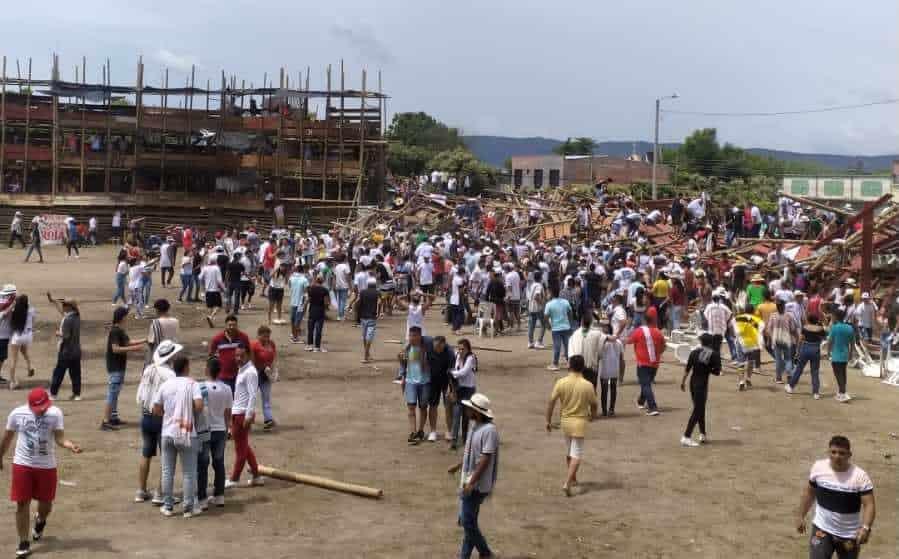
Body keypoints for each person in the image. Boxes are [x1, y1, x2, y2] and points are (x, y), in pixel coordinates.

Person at [0, 387, 82, 558]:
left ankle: (40, 520)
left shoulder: (55, 414)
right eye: (38, 409)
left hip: (46, 466)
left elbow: (59, 438)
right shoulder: (17, 414)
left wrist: (69, 445)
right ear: (29, 405)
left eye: (44, 408)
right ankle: (23, 542)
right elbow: (7, 438)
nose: (42, 411)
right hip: (23, 464)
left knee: (46, 504)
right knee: (22, 503)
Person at [796, 436, 875, 558]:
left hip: (849, 535)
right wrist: (801, 515)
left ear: (849, 455)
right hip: (821, 528)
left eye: (842, 453)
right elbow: (809, 492)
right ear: (828, 452)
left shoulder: (860, 476)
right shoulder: (818, 468)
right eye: (833, 452)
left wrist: (865, 528)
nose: (837, 456)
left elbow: (869, 504)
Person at [447, 393, 498, 559]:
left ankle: (485, 552)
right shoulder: (474, 427)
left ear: (476, 412)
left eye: (469, 408)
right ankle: (465, 556)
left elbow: (484, 459)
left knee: (467, 521)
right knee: (469, 521)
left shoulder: (489, 431)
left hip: (477, 484)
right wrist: (458, 465)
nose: (466, 410)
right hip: (468, 480)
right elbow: (471, 453)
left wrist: (472, 481)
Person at [152, 355, 204, 517]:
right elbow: (199, 406)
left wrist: (169, 414)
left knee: (167, 471)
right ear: (187, 367)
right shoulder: (192, 384)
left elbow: (155, 409)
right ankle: (188, 508)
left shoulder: (166, 385)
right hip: (187, 432)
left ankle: (168, 506)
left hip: (168, 432)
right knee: (189, 472)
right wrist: (187, 412)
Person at [134, 340, 181, 505]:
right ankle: (160, 493)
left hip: (146, 416)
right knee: (166, 457)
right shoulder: (170, 374)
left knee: (146, 454)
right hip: (162, 417)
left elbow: (141, 394)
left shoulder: (149, 369)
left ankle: (141, 491)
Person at [545, 355, 597, 496]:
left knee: (569, 452)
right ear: (582, 367)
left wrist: (548, 421)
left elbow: (551, 402)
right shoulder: (587, 385)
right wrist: (593, 416)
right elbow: (594, 404)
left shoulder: (561, 382)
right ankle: (568, 482)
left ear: (570, 366)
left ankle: (573, 478)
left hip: (565, 422)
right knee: (577, 454)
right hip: (580, 422)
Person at [225, 346, 264, 488]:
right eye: (236, 356)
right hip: (238, 412)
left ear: (248, 355)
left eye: (241, 356)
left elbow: (253, 395)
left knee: (240, 449)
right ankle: (257, 476)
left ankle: (234, 479)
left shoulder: (250, 372)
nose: (238, 359)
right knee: (244, 447)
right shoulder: (242, 370)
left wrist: (248, 415)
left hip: (242, 414)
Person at [102, 306, 145, 431]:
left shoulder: (120, 330)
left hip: (118, 366)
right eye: (126, 315)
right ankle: (105, 421)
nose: (128, 317)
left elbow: (128, 342)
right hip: (115, 366)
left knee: (115, 393)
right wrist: (135, 349)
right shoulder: (115, 331)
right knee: (112, 393)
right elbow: (115, 349)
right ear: (122, 317)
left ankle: (113, 418)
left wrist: (145, 340)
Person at [196, 357, 232, 508]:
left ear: (207, 369)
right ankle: (219, 495)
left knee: (203, 464)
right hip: (220, 430)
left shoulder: (200, 387)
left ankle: (202, 499)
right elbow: (228, 411)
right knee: (219, 463)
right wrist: (227, 427)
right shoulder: (227, 388)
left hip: (205, 430)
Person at [680, 333, 721, 447]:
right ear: (711, 343)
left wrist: (683, 382)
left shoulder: (694, 352)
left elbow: (687, 369)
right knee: (698, 410)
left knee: (699, 408)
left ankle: (703, 434)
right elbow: (717, 372)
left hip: (692, 383)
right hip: (702, 385)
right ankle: (686, 436)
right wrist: (708, 369)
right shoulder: (714, 354)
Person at [624, 307, 666, 416]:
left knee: (645, 384)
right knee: (646, 383)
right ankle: (641, 401)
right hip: (654, 363)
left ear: (645, 320)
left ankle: (653, 406)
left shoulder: (639, 331)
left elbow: (629, 341)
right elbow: (663, 348)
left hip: (643, 363)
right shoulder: (658, 332)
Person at [46, 294, 82, 402]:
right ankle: (77, 394)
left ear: (69, 307)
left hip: (66, 351)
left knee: (58, 373)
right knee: (75, 374)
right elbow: (63, 313)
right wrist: (54, 301)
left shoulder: (67, 320)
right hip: (76, 350)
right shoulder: (76, 316)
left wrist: (58, 333)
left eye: (64, 304)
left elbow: (66, 336)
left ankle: (53, 394)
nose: (62, 306)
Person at [400, 326, 431, 444]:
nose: (411, 338)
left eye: (413, 335)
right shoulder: (407, 348)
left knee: (423, 407)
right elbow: (403, 364)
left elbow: (429, 365)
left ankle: (421, 430)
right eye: (410, 335)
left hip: (425, 381)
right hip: (410, 381)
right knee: (411, 407)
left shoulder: (427, 348)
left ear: (419, 336)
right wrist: (402, 377)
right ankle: (413, 431)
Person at [786, 313, 827, 400]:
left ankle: (790, 387)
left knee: (799, 369)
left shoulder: (805, 327)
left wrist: (798, 350)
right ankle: (816, 393)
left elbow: (801, 339)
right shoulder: (820, 328)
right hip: (815, 349)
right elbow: (824, 338)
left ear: (808, 320)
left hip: (805, 348)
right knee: (815, 372)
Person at [207, 315, 251, 394]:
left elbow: (249, 353)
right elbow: (211, 355)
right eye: (229, 325)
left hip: (240, 375)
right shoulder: (217, 338)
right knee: (225, 400)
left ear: (237, 325)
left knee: (238, 401)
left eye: (234, 325)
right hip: (223, 375)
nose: (231, 327)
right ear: (225, 325)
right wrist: (212, 372)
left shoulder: (243, 337)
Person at [449, 339, 478, 450]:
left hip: (469, 390)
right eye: (459, 348)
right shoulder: (457, 355)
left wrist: (452, 373)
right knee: (456, 415)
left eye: (463, 349)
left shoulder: (471, 358)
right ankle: (454, 441)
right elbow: (457, 372)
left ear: (468, 349)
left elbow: (464, 372)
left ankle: (466, 440)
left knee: (466, 416)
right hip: (459, 389)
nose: (460, 351)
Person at [426, 336, 455, 442]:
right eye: (434, 346)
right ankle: (433, 431)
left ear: (443, 345)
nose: (436, 348)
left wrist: (450, 388)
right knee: (433, 405)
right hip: (433, 381)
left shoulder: (450, 353)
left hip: (446, 381)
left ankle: (449, 431)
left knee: (448, 406)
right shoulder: (429, 347)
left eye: (438, 346)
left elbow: (452, 372)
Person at [765, 300, 799, 384]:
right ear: (784, 306)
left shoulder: (773, 316)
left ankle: (778, 378)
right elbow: (793, 329)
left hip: (776, 340)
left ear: (777, 307)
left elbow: (769, 330)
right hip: (786, 340)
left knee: (778, 359)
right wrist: (797, 338)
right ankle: (789, 375)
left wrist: (769, 340)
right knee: (788, 359)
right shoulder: (789, 316)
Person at [250, 325, 278, 430]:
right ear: (259, 335)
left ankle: (268, 419)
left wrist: (273, 370)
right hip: (256, 373)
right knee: (251, 397)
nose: (266, 339)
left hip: (266, 374)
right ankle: (249, 417)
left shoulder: (271, 344)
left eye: (268, 336)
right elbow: (251, 361)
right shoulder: (253, 345)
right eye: (264, 336)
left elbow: (274, 357)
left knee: (266, 398)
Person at [7, 295, 36, 390]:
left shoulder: (15, 311)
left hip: (17, 337)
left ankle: (12, 382)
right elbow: (33, 322)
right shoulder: (31, 310)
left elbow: (9, 319)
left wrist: (14, 303)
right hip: (28, 336)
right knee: (24, 351)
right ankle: (30, 366)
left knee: (14, 360)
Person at [828, 309, 855, 403]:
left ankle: (843, 393)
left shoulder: (834, 327)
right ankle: (841, 392)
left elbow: (830, 341)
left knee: (838, 375)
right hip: (845, 355)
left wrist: (828, 352)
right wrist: (851, 354)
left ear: (836, 316)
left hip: (836, 355)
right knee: (843, 374)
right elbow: (852, 343)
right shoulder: (850, 328)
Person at [733, 304, 763, 391]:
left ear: (745, 310)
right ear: (753, 311)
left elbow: (734, 330)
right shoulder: (754, 320)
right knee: (751, 361)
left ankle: (741, 381)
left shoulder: (738, 318)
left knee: (741, 363)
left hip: (740, 343)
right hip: (751, 343)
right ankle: (748, 379)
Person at [598, 319, 623, 417]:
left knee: (605, 390)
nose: (602, 328)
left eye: (603, 327)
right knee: (613, 389)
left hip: (604, 369)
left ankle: (605, 411)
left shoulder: (601, 341)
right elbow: (621, 359)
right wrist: (621, 373)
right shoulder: (618, 342)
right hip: (614, 368)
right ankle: (611, 409)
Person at [544, 288, 573, 371]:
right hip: (566, 327)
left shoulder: (549, 304)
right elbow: (570, 312)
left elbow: (545, 316)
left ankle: (555, 364)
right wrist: (570, 323)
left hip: (556, 328)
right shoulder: (565, 302)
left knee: (557, 346)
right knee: (567, 346)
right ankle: (570, 363)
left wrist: (548, 325)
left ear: (552, 294)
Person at [304, 275, 330, 352]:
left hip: (312, 310)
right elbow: (326, 302)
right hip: (320, 311)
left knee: (310, 329)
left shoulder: (311, 289)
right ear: (322, 281)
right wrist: (326, 309)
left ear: (316, 280)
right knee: (318, 330)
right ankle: (317, 346)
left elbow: (308, 300)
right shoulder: (325, 290)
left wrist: (304, 308)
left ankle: (309, 345)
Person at [357, 278, 380, 363]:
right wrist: (379, 312)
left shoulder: (362, 292)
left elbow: (358, 302)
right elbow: (380, 302)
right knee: (369, 338)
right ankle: (366, 356)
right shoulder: (377, 293)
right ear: (374, 284)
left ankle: (367, 354)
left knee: (364, 337)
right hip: (372, 317)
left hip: (363, 317)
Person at [199, 256, 225, 328]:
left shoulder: (205, 268)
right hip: (215, 290)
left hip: (208, 290)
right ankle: (211, 317)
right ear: (215, 261)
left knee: (210, 306)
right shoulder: (216, 268)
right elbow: (219, 280)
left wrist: (203, 287)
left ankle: (211, 320)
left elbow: (200, 278)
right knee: (219, 306)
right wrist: (223, 289)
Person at [526, 270, 546, 349]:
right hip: (538, 308)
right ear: (540, 277)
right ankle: (539, 341)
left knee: (531, 326)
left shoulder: (532, 285)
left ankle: (530, 342)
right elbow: (536, 296)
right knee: (543, 325)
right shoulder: (539, 285)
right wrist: (542, 304)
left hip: (531, 307)